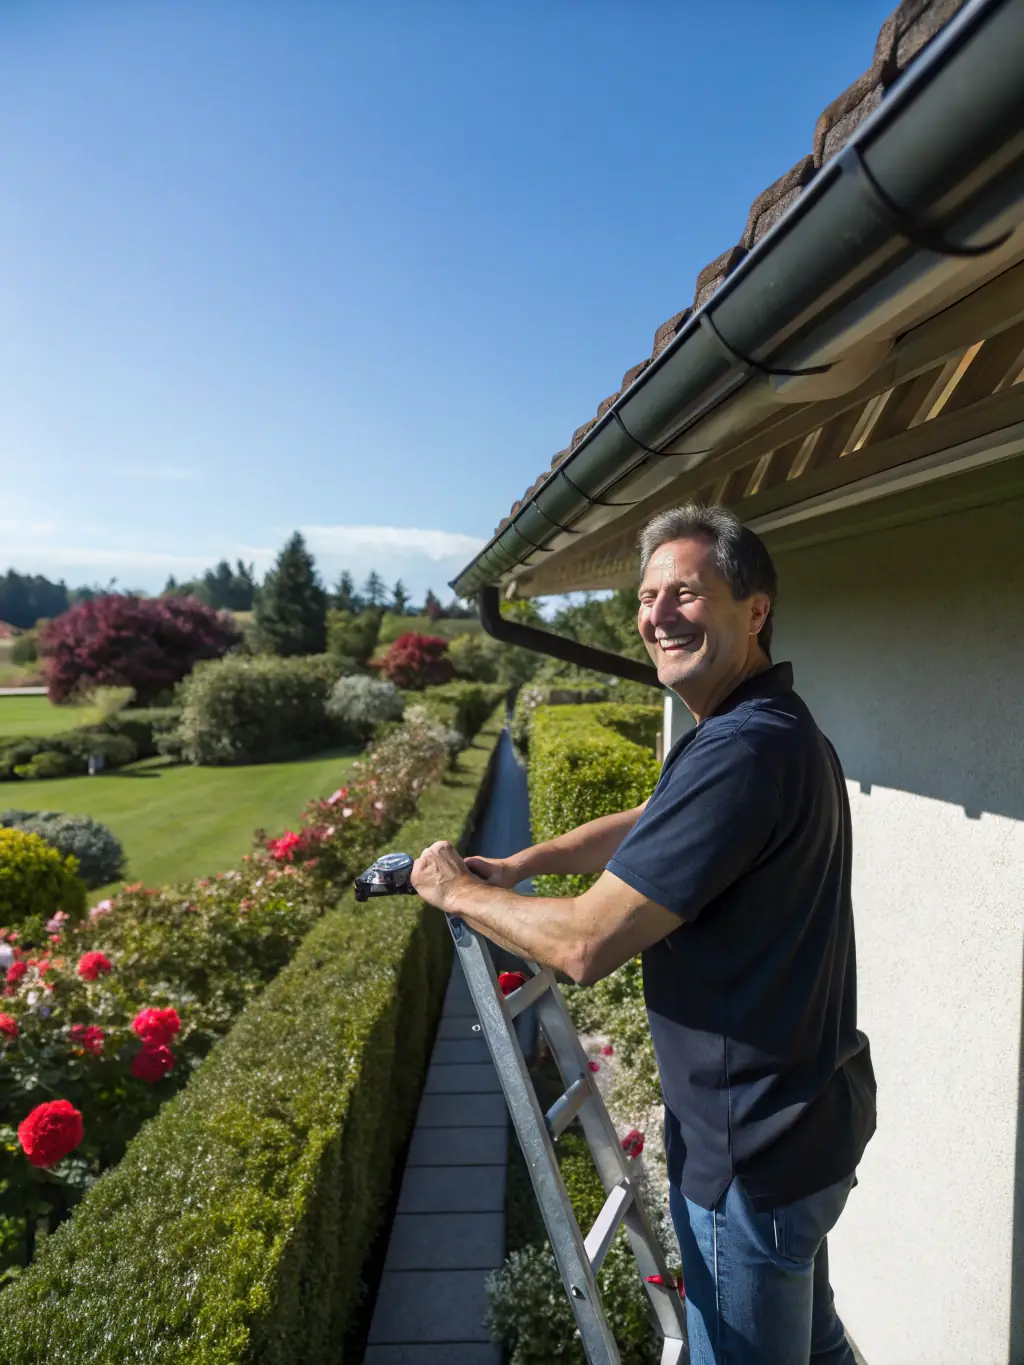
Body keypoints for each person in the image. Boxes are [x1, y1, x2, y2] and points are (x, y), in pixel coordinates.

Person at [411, 502, 876, 1365]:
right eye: (648, 593)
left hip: (752, 1150)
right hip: (807, 1122)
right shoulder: (763, 731)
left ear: (755, 610)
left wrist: (455, 891)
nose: (658, 614)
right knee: (815, 1345)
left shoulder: (742, 750)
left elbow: (588, 943)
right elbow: (652, 819)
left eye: (687, 593)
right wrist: (519, 862)